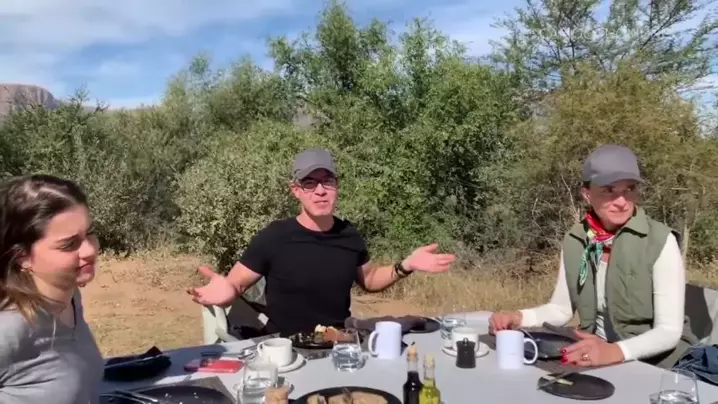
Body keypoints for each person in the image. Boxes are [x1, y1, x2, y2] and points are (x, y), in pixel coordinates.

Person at [187, 148, 456, 335]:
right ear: (296, 190)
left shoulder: (349, 234)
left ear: (337, 186)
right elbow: (236, 283)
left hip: (339, 344)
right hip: (286, 348)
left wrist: (406, 265)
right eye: (309, 183)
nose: (320, 191)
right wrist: (227, 292)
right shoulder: (274, 236)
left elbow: (370, 279)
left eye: (327, 181)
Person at [489, 144, 698, 369]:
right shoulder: (576, 240)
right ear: (587, 195)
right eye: (608, 190)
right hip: (597, 359)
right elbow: (561, 309)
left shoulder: (659, 241)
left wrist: (614, 351)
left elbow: (668, 331)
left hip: (660, 366)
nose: (621, 201)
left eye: (629, 189)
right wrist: (518, 317)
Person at [0, 174, 104, 404]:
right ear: (23, 256)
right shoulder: (8, 329)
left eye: (89, 233)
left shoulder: (70, 298)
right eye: (69, 244)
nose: (89, 250)